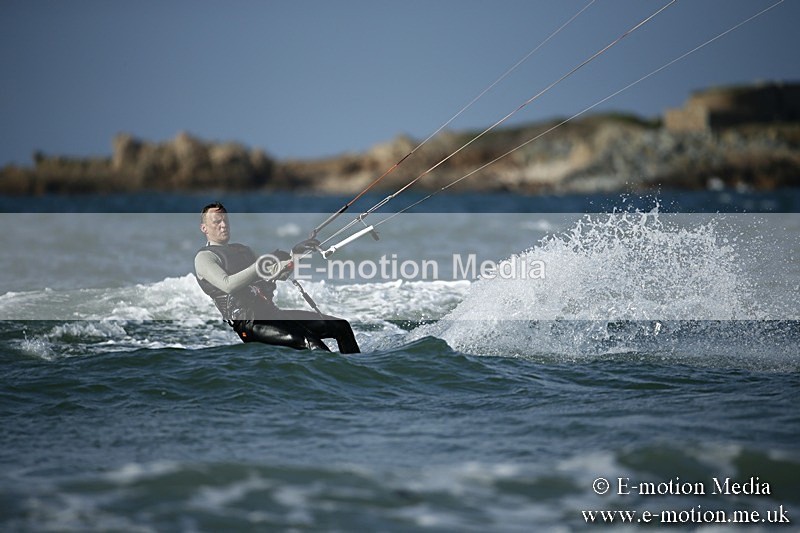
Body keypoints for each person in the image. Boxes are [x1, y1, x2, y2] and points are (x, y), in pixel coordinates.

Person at [194, 202, 360, 354]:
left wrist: (295, 255)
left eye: (225, 220)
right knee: (311, 343)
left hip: (273, 314)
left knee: (340, 326)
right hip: (251, 324)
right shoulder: (205, 257)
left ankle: (357, 374)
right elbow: (228, 285)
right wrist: (260, 265)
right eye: (217, 222)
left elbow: (278, 273)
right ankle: (333, 385)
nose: (223, 225)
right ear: (204, 228)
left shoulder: (243, 250)